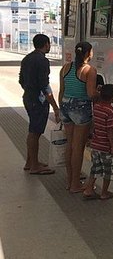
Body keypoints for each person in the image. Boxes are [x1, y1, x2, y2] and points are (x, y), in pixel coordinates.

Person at [59, 41, 98, 193]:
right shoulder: (89, 70)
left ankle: (69, 181)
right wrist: (99, 94)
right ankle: (76, 184)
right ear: (88, 53)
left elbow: (62, 91)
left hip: (65, 106)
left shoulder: (65, 68)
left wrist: (59, 109)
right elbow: (90, 94)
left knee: (70, 144)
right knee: (78, 147)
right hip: (80, 108)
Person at [19, 34, 60, 175]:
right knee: (35, 133)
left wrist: (29, 90)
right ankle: (35, 166)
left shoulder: (27, 58)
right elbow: (45, 85)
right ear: (46, 44)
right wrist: (55, 106)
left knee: (33, 130)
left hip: (28, 98)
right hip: (38, 100)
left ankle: (30, 162)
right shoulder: (42, 61)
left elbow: (21, 80)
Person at [83, 84, 113, 200]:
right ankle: (104, 192)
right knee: (107, 170)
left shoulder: (97, 107)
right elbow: (110, 131)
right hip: (105, 147)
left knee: (95, 168)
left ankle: (88, 189)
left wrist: (90, 138)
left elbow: (93, 125)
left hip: (95, 145)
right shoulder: (110, 112)